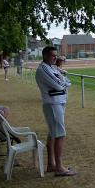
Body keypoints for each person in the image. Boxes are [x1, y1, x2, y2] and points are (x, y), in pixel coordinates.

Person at [35, 46, 74, 177]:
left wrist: (63, 81)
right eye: (53, 55)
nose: (55, 58)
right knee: (59, 134)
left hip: (58, 102)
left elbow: (65, 79)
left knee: (53, 134)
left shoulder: (52, 67)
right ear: (45, 55)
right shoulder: (43, 69)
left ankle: (51, 164)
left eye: (56, 55)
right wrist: (63, 82)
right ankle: (59, 167)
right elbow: (59, 84)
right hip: (53, 104)